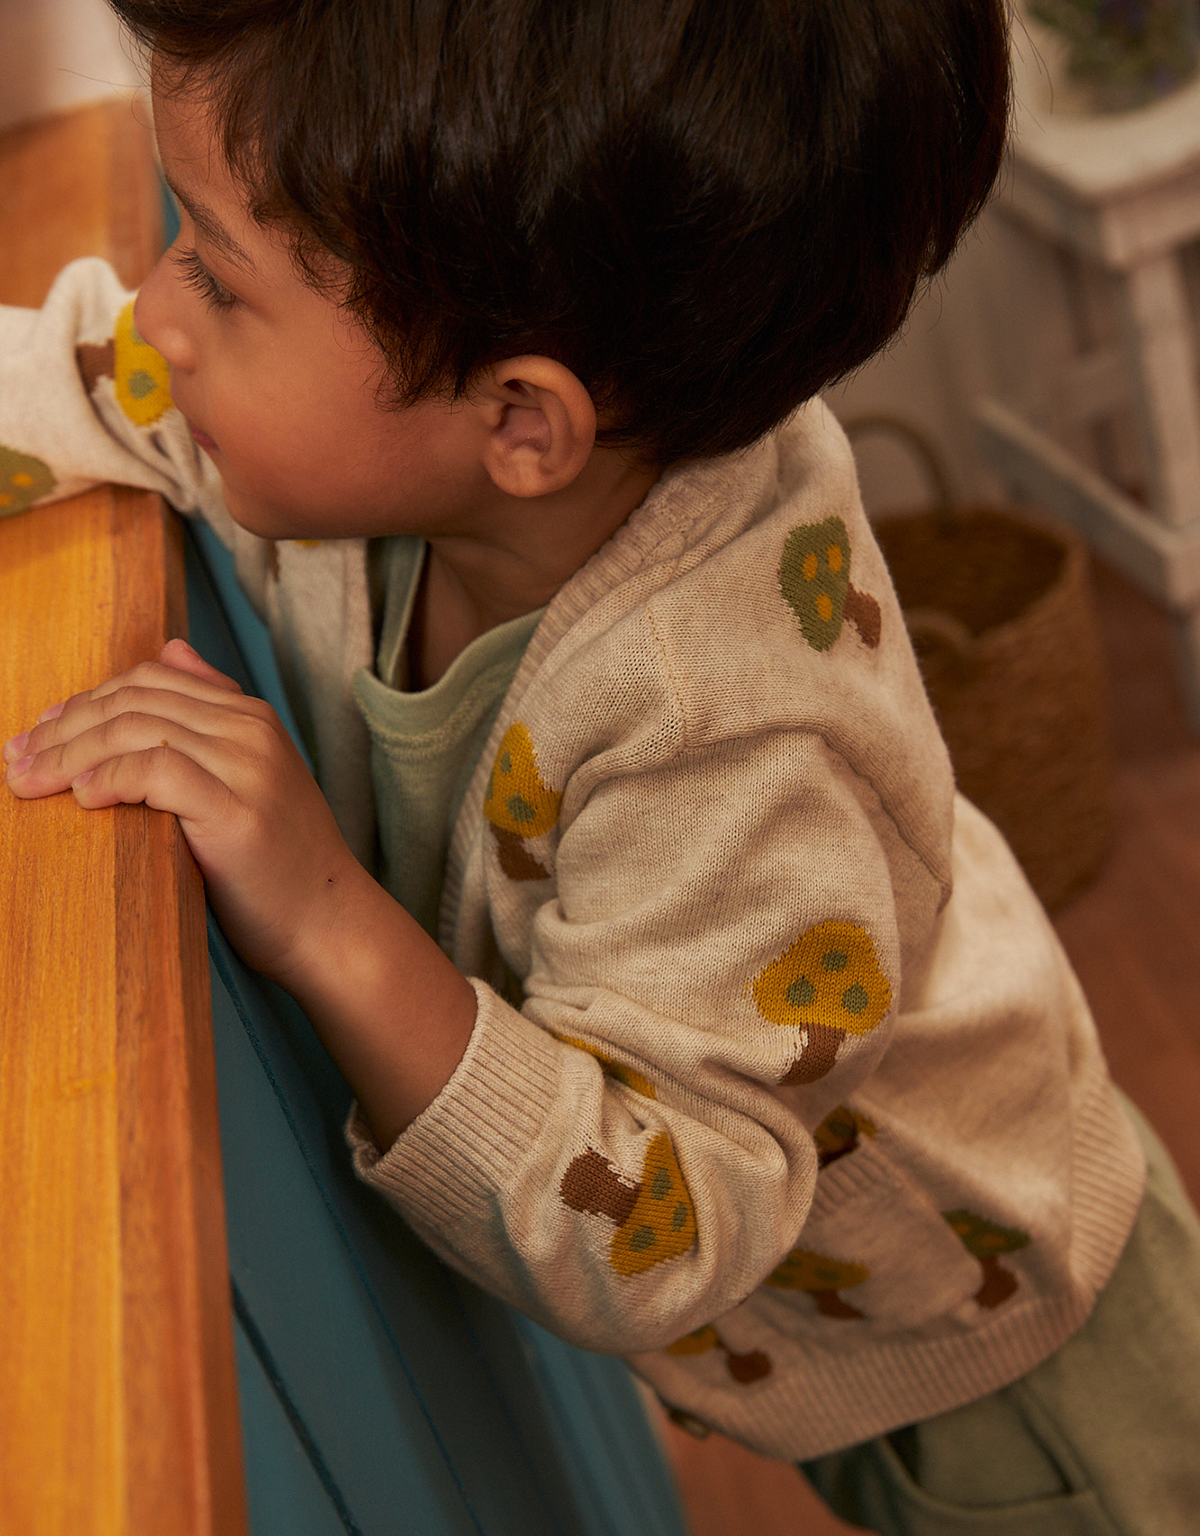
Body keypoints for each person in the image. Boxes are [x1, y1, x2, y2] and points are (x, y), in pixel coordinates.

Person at [3, 1, 1199, 1529]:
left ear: (520, 418)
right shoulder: (430, 422)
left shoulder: (727, 725)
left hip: (1014, 1344)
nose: (156, 313)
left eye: (216, 278)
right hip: (813, 1334)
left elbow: (657, 1219)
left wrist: (318, 910)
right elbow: (107, 374)